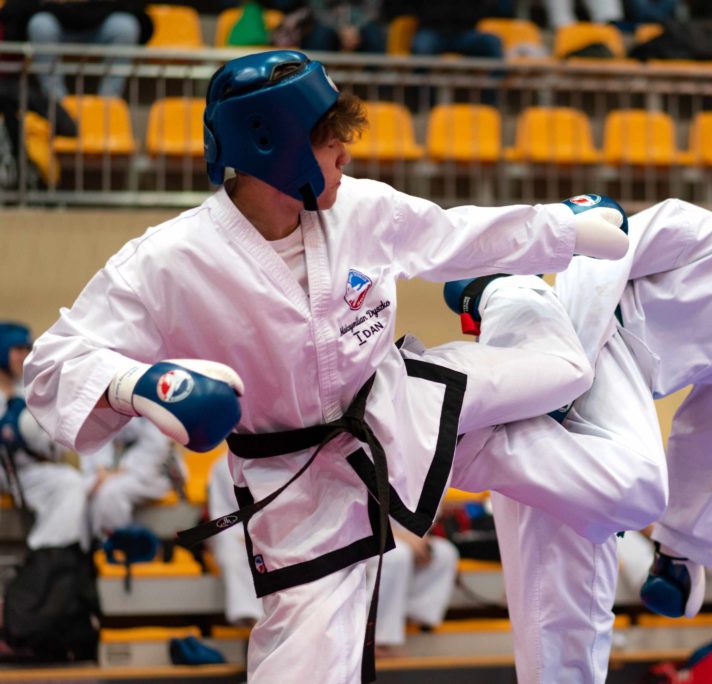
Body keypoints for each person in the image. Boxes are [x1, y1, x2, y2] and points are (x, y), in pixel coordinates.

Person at [22, 49, 630, 683]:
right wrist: (137, 385)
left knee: (564, 373)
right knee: (306, 666)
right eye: (327, 138)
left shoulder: (360, 209)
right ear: (271, 145)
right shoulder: (169, 261)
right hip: (298, 488)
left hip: (400, 406)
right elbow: (53, 365)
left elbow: (455, 235)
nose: (345, 152)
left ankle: (501, 303)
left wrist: (563, 226)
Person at [447, 172, 712, 683]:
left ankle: (480, 420)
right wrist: (563, 374)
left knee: (575, 598)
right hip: (591, 344)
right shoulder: (700, 232)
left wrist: (680, 550)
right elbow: (596, 260)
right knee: (642, 486)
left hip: (588, 421)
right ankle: (478, 403)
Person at [0, 322, 88, 552]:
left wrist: (36, 439)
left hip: (24, 473)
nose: (24, 356)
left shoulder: (32, 392)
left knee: (70, 482)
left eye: (27, 349)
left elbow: (58, 447)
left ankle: (42, 556)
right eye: (17, 349)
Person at [12, 0, 154, 102]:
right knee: (40, 24)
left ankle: (109, 102)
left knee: (125, 26)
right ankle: (55, 102)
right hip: (56, 20)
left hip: (101, 20)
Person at [82, 417, 179, 541]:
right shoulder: (112, 407)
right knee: (86, 487)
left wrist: (116, 472)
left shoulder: (154, 407)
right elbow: (99, 431)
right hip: (121, 468)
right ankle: (92, 544)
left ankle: (118, 544)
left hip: (157, 473)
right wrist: (101, 469)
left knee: (111, 492)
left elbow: (157, 446)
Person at [368, 526, 459, 656]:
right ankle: (378, 639)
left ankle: (411, 618)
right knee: (396, 554)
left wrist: (418, 536)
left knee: (445, 553)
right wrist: (397, 534)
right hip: (359, 538)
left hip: (399, 533)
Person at [207, 452, 263, 628]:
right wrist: (246, 536)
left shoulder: (277, 461)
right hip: (236, 534)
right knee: (231, 553)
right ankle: (252, 620)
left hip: (274, 533)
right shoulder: (221, 467)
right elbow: (220, 514)